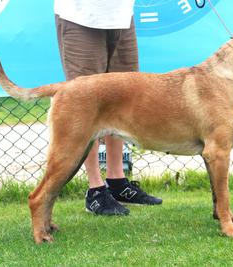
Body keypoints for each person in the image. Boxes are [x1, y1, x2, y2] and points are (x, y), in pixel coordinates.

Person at [54, 0, 162, 216]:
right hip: (81, 16)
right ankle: (95, 189)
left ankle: (117, 180)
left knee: (122, 101)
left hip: (121, 16)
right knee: (86, 106)